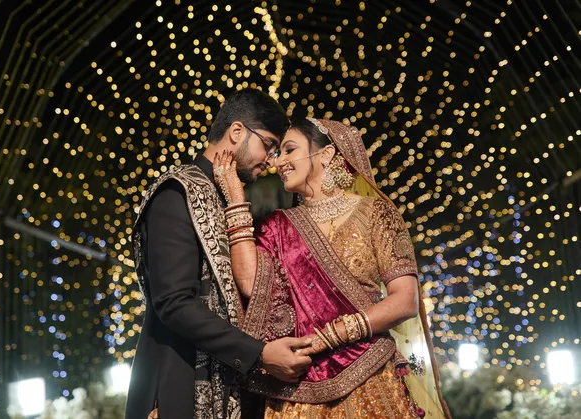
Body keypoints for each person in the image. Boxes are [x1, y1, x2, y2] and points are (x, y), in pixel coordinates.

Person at [213, 118, 452, 418]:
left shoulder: (376, 213)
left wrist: (330, 337)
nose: (279, 162)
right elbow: (250, 284)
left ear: (326, 154)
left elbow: (405, 301)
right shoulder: (276, 225)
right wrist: (236, 200)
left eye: (289, 150)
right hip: (298, 388)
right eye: (278, 154)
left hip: (370, 375)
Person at [126, 89, 313, 419]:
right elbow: (173, 302)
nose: (271, 160)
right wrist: (259, 353)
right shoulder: (177, 192)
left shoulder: (227, 196)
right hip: (179, 383)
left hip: (228, 382)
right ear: (237, 132)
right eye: (268, 145)